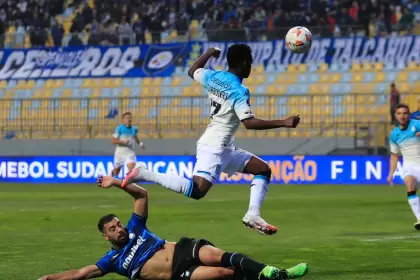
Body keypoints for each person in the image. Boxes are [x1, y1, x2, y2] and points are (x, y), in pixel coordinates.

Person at [122, 44, 300, 236]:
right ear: (244, 63)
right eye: (250, 63)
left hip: (225, 146)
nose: (251, 67)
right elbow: (249, 123)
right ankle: (145, 173)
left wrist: (208, 53)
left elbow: (192, 71)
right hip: (214, 146)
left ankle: (253, 214)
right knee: (197, 191)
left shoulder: (214, 77)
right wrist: (283, 122)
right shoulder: (239, 91)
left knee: (263, 169)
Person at [38, 175, 309, 280]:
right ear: (105, 236)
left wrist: (118, 182)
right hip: (179, 273)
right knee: (224, 273)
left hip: (181, 249)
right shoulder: (112, 261)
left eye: (118, 224)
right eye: (113, 229)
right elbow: (80, 274)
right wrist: (47, 279)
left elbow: (142, 195)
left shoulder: (135, 228)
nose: (119, 229)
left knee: (218, 255)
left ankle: (276, 273)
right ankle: (267, 276)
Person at [387, 103, 420, 230]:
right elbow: (394, 156)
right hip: (409, 166)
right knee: (410, 185)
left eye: (405, 113)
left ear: (409, 115)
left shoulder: (417, 125)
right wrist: (391, 173)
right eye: (399, 113)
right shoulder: (394, 134)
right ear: (395, 115)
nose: (402, 116)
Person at [111, 112, 145, 177]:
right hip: (120, 153)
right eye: (127, 118)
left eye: (130, 118)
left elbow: (135, 137)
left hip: (130, 153)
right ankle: (110, 175)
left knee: (132, 169)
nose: (129, 119)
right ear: (123, 120)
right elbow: (113, 141)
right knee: (116, 172)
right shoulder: (119, 128)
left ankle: (129, 184)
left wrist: (140, 144)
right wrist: (123, 142)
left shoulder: (134, 129)